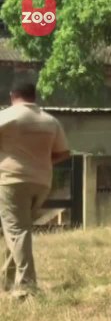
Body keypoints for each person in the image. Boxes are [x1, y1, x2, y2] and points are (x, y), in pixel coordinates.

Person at [0, 82, 70, 299]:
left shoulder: (7, 116)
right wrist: (40, 162)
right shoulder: (50, 121)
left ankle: (28, 286)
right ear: (34, 96)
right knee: (21, 230)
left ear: (13, 95)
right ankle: (5, 280)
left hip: (12, 180)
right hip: (41, 182)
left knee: (16, 231)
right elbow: (63, 152)